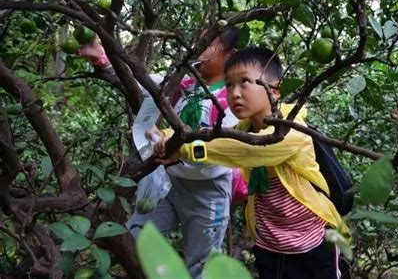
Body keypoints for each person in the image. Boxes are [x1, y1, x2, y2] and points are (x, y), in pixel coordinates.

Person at [154, 46, 350, 279]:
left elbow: (250, 150)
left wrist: (184, 148)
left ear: (275, 89)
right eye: (229, 85)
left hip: (313, 246)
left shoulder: (292, 130)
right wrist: (169, 135)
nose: (234, 93)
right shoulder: (243, 129)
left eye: (245, 81)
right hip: (269, 246)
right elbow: (213, 137)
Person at [78, 27, 245, 279]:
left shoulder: (233, 98)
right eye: (198, 42)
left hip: (207, 193)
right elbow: (141, 81)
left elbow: (224, 148)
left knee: (202, 264)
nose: (198, 50)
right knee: (135, 234)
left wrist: (178, 148)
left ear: (231, 54)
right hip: (170, 185)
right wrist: (103, 57)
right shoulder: (184, 84)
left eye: (208, 45)